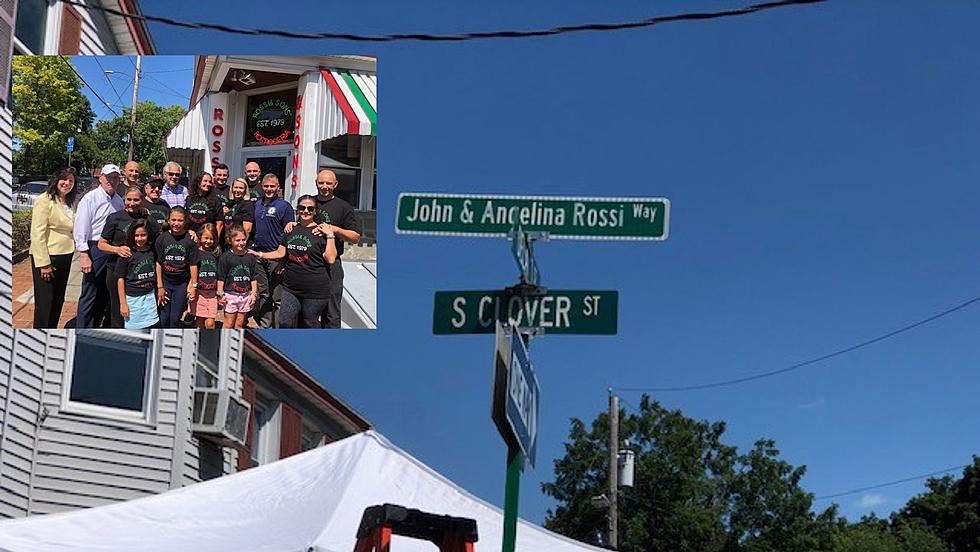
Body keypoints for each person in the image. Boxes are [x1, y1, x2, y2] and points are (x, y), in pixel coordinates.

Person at [252, 195, 337, 328]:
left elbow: (331, 258)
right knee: (285, 321)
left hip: (314, 290)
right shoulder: (291, 229)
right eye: (302, 208)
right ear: (297, 210)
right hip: (290, 287)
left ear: (315, 211)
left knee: (309, 323)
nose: (306, 211)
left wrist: (330, 234)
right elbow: (280, 253)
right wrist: (260, 254)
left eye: (310, 208)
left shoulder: (321, 232)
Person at [98, 186, 161, 328]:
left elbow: (159, 236)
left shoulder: (147, 218)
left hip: (139, 272)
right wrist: (117, 249)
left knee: (138, 312)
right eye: (129, 199)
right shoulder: (115, 218)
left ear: (142, 200)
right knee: (117, 309)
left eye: (136, 200)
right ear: (124, 199)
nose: (132, 203)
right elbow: (101, 244)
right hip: (116, 269)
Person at [73, 164, 124, 328]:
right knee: (90, 292)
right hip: (94, 249)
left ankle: (96, 325)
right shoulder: (90, 198)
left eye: (116, 178)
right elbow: (81, 227)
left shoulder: (118, 201)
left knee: (104, 292)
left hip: (112, 249)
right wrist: (83, 254)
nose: (112, 181)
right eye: (109, 177)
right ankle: (83, 328)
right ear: (101, 178)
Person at [29, 167, 78, 328]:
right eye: (64, 179)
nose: (67, 183)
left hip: (66, 254)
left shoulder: (70, 202)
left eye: (71, 180)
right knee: (46, 302)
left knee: (58, 299)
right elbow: (37, 233)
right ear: (56, 180)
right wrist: (44, 263)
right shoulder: (45, 199)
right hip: (49, 256)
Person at [313, 169, 361, 328]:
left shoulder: (344, 207)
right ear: (316, 183)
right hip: (308, 263)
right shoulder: (308, 203)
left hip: (331, 265)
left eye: (328, 183)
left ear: (335, 185)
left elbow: (355, 237)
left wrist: (335, 229)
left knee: (331, 312)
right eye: (321, 183)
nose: (324, 186)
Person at [249, 174, 294, 328]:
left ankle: (279, 327)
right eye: (266, 186)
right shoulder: (257, 204)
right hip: (258, 256)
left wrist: (284, 260)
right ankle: (265, 324)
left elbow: (290, 235)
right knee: (264, 293)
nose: (269, 189)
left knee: (278, 296)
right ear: (262, 187)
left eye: (272, 186)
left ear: (278, 187)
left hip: (276, 257)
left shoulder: (284, 207)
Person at [154, 206, 198, 328]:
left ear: (185, 222)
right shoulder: (162, 239)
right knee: (163, 317)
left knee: (174, 318)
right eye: (173, 220)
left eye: (180, 220)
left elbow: (193, 264)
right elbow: (158, 263)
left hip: (181, 284)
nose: (176, 223)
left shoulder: (190, 240)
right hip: (165, 282)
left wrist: (193, 285)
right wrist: (160, 286)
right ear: (168, 220)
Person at [115, 219, 160, 329]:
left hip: (150, 297)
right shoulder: (127, 253)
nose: (140, 239)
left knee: (151, 326)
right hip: (133, 299)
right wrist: (123, 304)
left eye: (143, 235)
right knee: (133, 329)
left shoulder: (152, 251)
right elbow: (120, 279)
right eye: (136, 235)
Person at [217, 225, 258, 329]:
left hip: (245, 295)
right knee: (228, 323)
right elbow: (221, 278)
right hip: (230, 294)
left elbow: (253, 277)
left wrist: (253, 294)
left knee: (240, 323)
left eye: (243, 240)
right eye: (237, 240)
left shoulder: (250, 257)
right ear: (230, 240)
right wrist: (220, 294)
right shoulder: (225, 257)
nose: (241, 243)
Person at [189, 223, 220, 329]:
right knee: (199, 320)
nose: (208, 241)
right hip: (199, 293)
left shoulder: (216, 254)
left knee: (210, 323)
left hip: (212, 293)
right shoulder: (196, 253)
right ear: (200, 237)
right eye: (206, 238)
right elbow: (192, 272)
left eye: (211, 239)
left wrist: (220, 292)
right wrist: (191, 287)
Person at [184, 172, 223, 236]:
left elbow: (219, 224)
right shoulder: (189, 199)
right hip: (190, 236)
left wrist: (215, 241)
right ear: (198, 182)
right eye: (205, 181)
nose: (208, 184)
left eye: (210, 182)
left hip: (207, 238)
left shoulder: (216, 201)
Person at [223, 178, 255, 245]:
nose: (237, 190)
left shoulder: (247, 204)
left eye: (241, 188)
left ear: (245, 190)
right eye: (236, 187)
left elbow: (247, 229)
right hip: (229, 243)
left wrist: (241, 243)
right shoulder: (230, 203)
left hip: (239, 245)